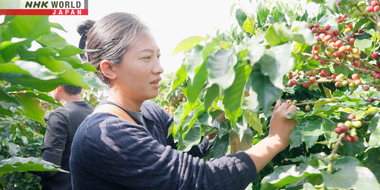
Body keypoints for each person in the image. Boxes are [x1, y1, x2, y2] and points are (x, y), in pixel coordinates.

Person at [70, 12, 298, 190]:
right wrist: (275, 140)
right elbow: (201, 181)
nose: (159, 68)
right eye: (146, 58)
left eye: (158, 56)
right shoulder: (104, 135)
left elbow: (191, 148)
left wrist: (227, 103)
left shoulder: (149, 112)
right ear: (109, 68)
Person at [40, 85, 94, 190]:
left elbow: (50, 169)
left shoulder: (60, 116)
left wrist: (18, 163)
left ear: (58, 87)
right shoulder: (93, 112)